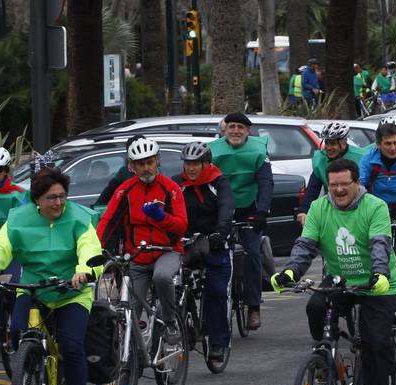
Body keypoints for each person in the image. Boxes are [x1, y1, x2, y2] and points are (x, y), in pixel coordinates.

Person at [271, 158, 396, 385]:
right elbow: (306, 245)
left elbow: (380, 244)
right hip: (340, 279)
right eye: (333, 185)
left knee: (375, 341)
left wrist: (379, 275)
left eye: (345, 184)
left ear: (357, 184)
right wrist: (290, 271)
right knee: (315, 305)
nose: (338, 190)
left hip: (376, 283)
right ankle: (323, 359)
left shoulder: (375, 206)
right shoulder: (319, 208)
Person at [0, 167, 101, 385]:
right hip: (33, 288)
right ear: (37, 200)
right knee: (18, 331)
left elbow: (89, 247)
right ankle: (29, 373)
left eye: (62, 196)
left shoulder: (79, 217)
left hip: (72, 291)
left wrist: (85, 271)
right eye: (51, 198)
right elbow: (0, 248)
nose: (58, 203)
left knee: (71, 345)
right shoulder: (18, 220)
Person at [96, 136, 189, 354]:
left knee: (161, 277)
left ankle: (170, 322)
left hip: (167, 251)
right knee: (130, 309)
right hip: (136, 255)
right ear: (132, 166)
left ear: (158, 161)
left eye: (149, 162)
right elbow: (107, 222)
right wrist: (95, 249)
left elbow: (181, 227)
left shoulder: (171, 188)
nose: (146, 168)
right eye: (140, 164)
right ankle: (128, 361)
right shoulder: (124, 191)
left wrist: (161, 217)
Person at [210, 113, 272, 330]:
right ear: (224, 129)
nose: (236, 131)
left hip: (249, 209)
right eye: (232, 127)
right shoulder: (212, 150)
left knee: (253, 253)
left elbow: (266, 183)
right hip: (221, 210)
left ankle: (253, 305)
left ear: (248, 131)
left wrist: (263, 211)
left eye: (241, 128)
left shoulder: (258, 150)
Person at [178, 141, 234, 365]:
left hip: (215, 243)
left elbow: (226, 206)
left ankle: (218, 343)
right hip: (187, 243)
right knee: (173, 282)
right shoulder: (177, 184)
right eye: (188, 164)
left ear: (206, 164)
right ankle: (185, 325)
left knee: (217, 291)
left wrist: (222, 231)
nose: (191, 168)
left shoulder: (218, 182)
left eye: (196, 164)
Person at [299, 121, 366, 220]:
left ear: (343, 143)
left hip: (359, 208)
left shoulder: (362, 157)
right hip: (334, 207)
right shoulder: (320, 159)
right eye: (327, 143)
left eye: (333, 143)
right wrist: (304, 211)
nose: (329, 148)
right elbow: (313, 189)